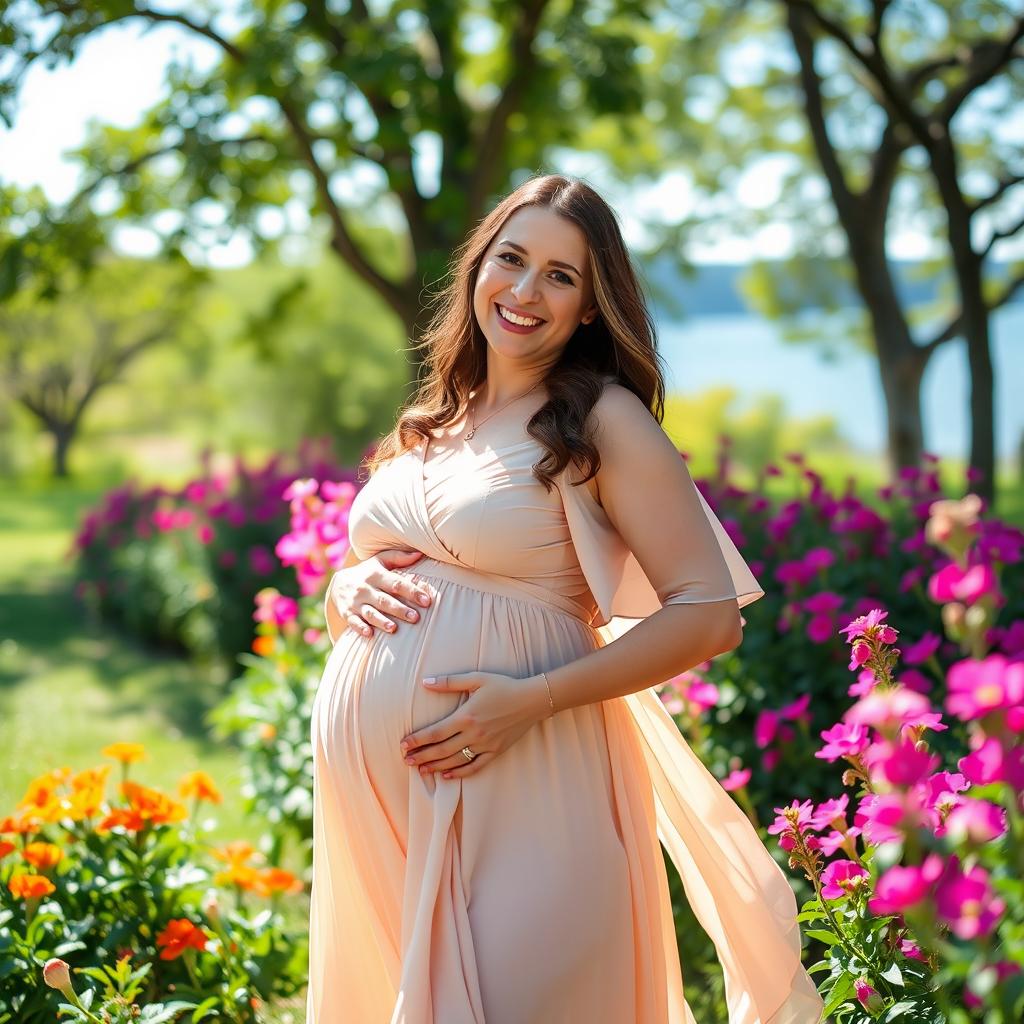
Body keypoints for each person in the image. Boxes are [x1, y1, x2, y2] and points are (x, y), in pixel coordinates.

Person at [307, 173, 823, 1024]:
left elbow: (708, 613)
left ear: (591, 306)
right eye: (511, 259)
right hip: (386, 812)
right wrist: (345, 583)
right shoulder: (434, 421)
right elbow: (387, 586)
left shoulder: (603, 418)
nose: (524, 291)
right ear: (477, 268)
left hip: (532, 781)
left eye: (560, 275)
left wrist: (529, 701)